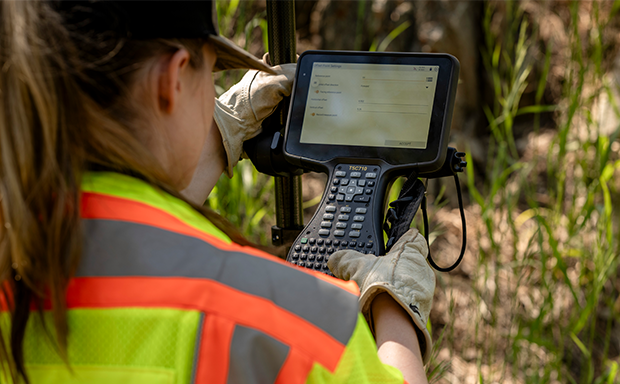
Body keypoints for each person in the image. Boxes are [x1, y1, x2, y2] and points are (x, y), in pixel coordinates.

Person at [0, 0, 439, 383]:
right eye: (210, 74)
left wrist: (218, 133)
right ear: (172, 80)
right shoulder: (297, 324)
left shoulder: (16, 263)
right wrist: (395, 306)